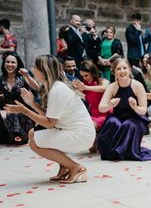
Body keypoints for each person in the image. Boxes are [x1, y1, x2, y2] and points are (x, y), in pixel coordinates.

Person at [3, 55, 95, 183]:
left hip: (81, 135)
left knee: (34, 143)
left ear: (43, 71)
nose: (32, 69)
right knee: (32, 134)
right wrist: (31, 104)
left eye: (35, 67)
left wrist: (24, 110)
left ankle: (76, 168)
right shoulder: (55, 87)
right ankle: (65, 166)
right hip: (77, 132)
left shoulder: (57, 90)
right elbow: (50, 117)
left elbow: (50, 124)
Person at [97, 57, 151, 161]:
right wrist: (109, 105)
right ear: (114, 72)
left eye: (124, 68)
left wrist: (135, 107)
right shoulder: (112, 87)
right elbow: (101, 108)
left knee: (128, 124)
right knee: (112, 122)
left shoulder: (137, 85)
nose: (122, 71)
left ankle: (125, 152)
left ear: (129, 70)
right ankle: (112, 152)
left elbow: (143, 111)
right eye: (118, 69)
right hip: (118, 116)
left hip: (135, 118)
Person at [0, 53, 35, 145]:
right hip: (6, 112)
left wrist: (27, 76)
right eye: (7, 62)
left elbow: (36, 88)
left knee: (16, 115)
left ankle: (19, 136)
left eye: (13, 62)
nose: (10, 64)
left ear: (17, 64)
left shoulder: (23, 77)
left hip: (24, 111)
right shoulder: (1, 79)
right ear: (4, 64)